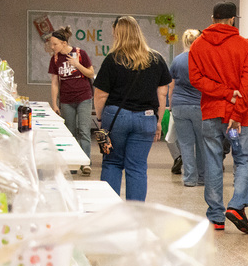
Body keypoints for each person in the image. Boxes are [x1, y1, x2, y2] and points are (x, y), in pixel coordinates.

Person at [189, 2, 248, 233]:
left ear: (212, 17)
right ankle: (237, 206)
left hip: (210, 113)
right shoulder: (244, 46)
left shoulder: (198, 45)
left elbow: (196, 79)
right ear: (233, 19)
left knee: (213, 162)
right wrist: (235, 106)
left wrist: (222, 93)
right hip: (238, 116)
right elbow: (247, 84)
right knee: (244, 159)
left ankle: (216, 217)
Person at [92, 15, 173, 201]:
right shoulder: (156, 59)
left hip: (116, 117)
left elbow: (100, 95)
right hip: (146, 118)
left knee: (112, 163)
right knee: (137, 166)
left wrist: (100, 119)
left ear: (117, 34)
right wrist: (158, 121)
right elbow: (162, 95)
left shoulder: (112, 60)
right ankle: (135, 216)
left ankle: (109, 212)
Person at [47, 26, 96, 175]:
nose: (52, 47)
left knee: (84, 130)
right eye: (51, 44)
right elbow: (55, 83)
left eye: (55, 44)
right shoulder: (55, 59)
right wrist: (55, 104)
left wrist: (77, 65)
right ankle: (72, 162)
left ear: (64, 43)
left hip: (83, 97)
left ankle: (85, 162)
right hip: (66, 99)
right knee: (69, 131)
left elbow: (91, 73)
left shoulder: (80, 54)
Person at [168, 29, 205, 187]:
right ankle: (202, 177)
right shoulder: (204, 60)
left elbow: (171, 85)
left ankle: (189, 178)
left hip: (179, 105)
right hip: (200, 105)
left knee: (185, 143)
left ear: (184, 41)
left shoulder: (177, 60)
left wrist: (171, 105)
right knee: (202, 143)